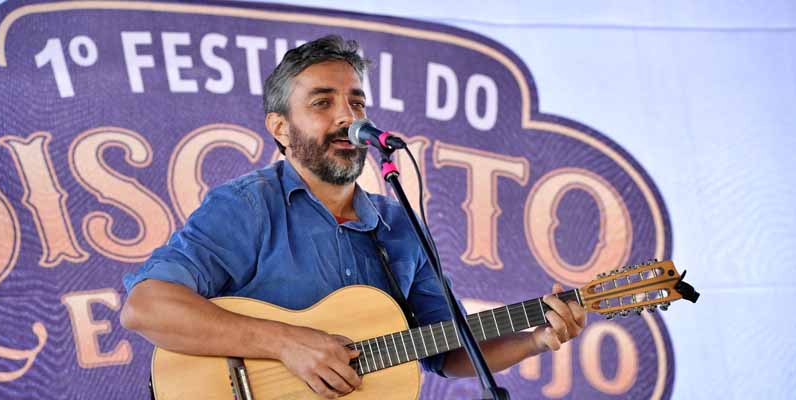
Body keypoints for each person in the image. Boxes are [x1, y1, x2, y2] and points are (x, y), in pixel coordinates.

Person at [120, 35, 586, 399]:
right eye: (322, 103)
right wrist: (285, 343)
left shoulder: (401, 225)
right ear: (281, 128)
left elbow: (449, 351)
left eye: (357, 103)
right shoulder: (248, 206)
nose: (348, 117)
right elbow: (146, 307)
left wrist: (535, 340)